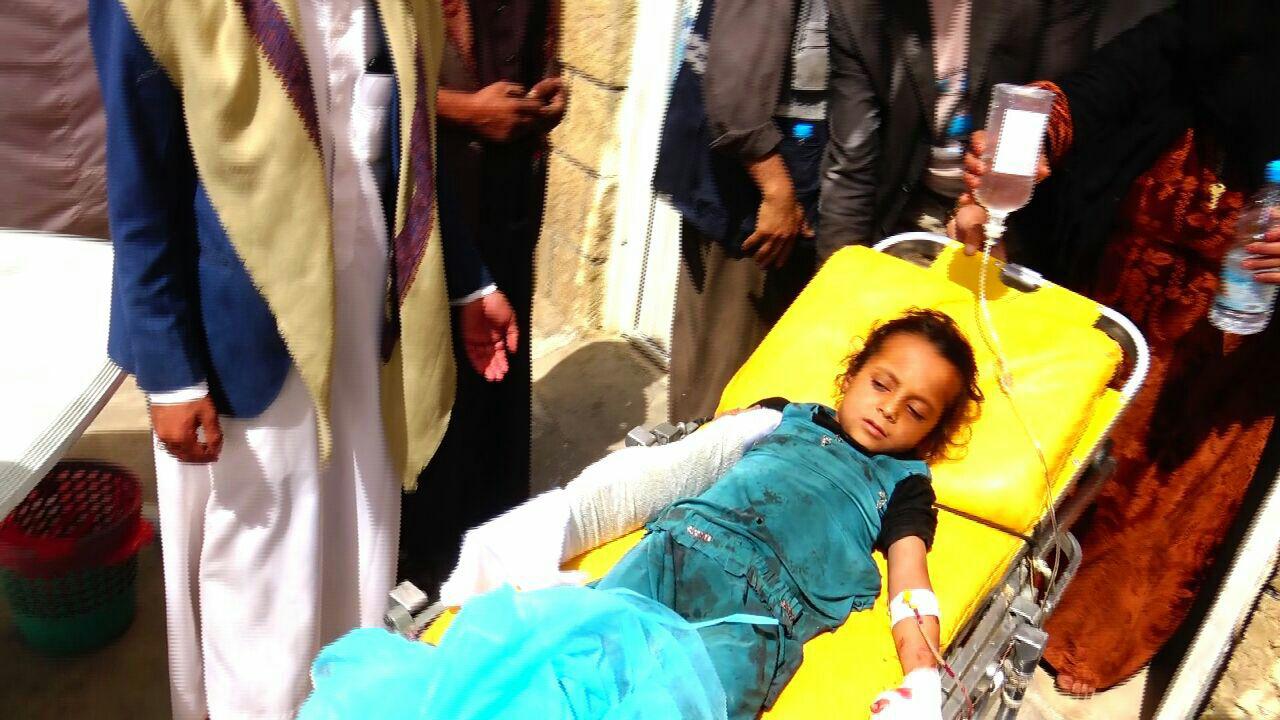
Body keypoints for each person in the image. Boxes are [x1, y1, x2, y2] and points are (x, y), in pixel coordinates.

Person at [88, 1, 458, 717]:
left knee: (358, 547)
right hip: (239, 329)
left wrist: (467, 282)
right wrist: (169, 375)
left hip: (367, 319)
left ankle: (340, 701)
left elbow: (411, 142)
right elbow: (139, 180)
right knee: (258, 578)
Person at [951, 0, 1280, 695]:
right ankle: (995, 578)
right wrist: (1042, 135)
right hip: (1126, 277)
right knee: (1070, 436)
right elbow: (1117, 78)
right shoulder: (1216, 24)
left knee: (1170, 490)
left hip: (1238, 331)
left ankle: (1090, 634)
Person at [596, 309, 984, 718]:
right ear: (852, 375)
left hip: (755, 616)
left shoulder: (904, 485)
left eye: (916, 411)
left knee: (686, 705)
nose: (890, 408)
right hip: (675, 551)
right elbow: (704, 451)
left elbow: (910, 579)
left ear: (930, 435)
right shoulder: (783, 415)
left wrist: (922, 682)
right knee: (587, 648)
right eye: (881, 384)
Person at [400, 0, 566, 593]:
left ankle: (495, 539)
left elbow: (537, 47)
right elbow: (381, 78)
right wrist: (468, 110)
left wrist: (548, 98)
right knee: (434, 371)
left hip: (509, 187)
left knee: (501, 364)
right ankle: (427, 559)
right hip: (435, 191)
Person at [656, 0, 825, 423]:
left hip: (771, 201)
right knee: (727, 394)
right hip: (756, 210)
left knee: (730, 382)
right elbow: (736, 97)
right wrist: (778, 192)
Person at [819, 0, 1093, 260]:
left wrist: (988, 204)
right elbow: (851, 163)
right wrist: (838, 278)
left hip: (1020, 219)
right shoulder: (858, 8)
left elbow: (1057, 102)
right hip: (907, 208)